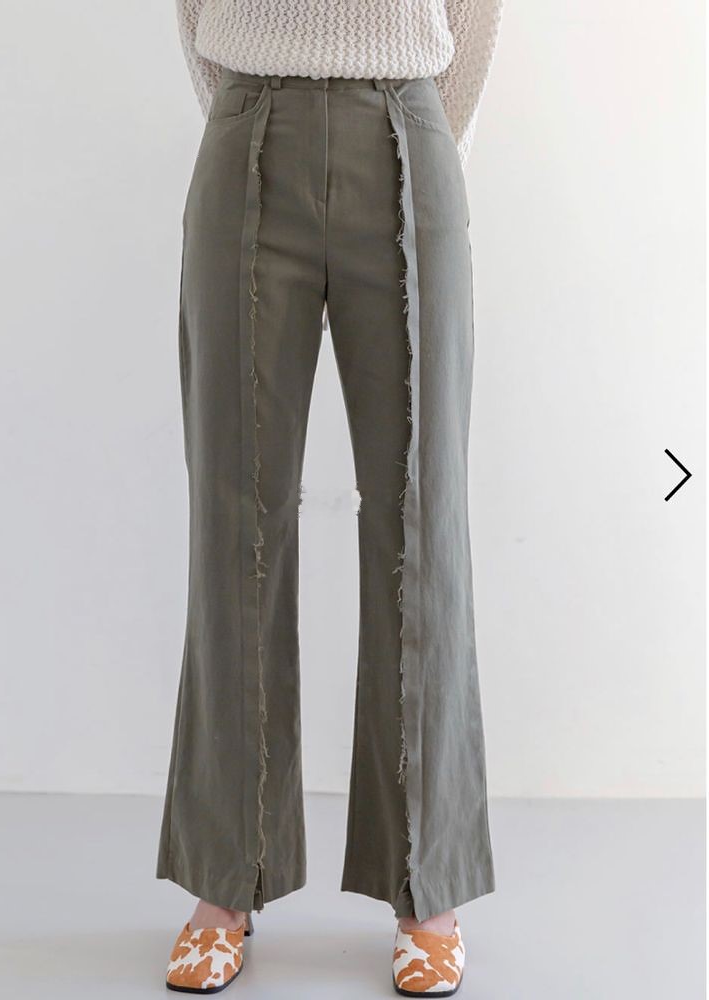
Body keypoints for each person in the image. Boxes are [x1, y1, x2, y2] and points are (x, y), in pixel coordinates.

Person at [156, 1, 503, 995]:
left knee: (420, 517)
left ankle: (426, 884)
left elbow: (474, 15)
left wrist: (412, 125)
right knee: (236, 516)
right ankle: (225, 878)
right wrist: (253, 108)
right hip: (248, 132)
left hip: (403, 130)